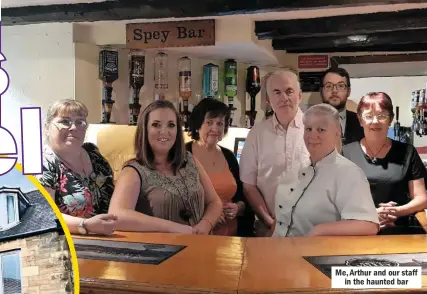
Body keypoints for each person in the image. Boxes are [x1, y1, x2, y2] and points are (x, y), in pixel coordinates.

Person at [108, 100, 223, 235]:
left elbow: (214, 201)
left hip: (201, 248)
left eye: (171, 125)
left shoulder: (190, 160)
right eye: (156, 125)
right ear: (145, 130)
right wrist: (174, 228)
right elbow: (117, 215)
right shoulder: (133, 171)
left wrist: (206, 224)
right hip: (161, 251)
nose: (164, 132)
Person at [272, 104, 379, 237]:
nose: (313, 135)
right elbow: (280, 221)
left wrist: (319, 231)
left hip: (311, 254)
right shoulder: (294, 171)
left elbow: (367, 225)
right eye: (309, 129)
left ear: (337, 132)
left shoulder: (348, 173)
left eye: (321, 129)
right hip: (276, 250)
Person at [342, 92, 427, 235]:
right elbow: (338, 200)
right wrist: (372, 214)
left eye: (382, 116)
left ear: (390, 119)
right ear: (360, 120)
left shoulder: (407, 152)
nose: (375, 121)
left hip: (400, 230)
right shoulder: (346, 153)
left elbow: (421, 198)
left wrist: (395, 211)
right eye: (369, 116)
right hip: (358, 230)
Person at [239, 69, 310, 237]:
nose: (283, 98)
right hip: (268, 230)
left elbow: (328, 179)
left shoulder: (316, 130)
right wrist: (271, 223)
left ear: (299, 96)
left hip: (311, 230)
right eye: (276, 92)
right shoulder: (256, 134)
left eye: (289, 91)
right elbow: (249, 186)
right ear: (268, 100)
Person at [36, 99, 117, 236]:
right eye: (65, 122)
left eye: (80, 122)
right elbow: (43, 216)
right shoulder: (43, 162)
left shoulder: (93, 154)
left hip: (111, 237)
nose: (74, 127)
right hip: (71, 243)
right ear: (47, 128)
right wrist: (84, 225)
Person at [186, 98, 254, 237]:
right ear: (198, 125)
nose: (215, 128)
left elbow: (242, 196)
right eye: (209, 122)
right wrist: (210, 216)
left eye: (220, 123)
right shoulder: (183, 155)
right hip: (198, 234)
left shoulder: (228, 156)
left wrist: (238, 208)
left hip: (231, 236)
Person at [320, 67, 364, 145]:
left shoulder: (362, 122)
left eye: (340, 86)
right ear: (321, 91)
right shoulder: (309, 122)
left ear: (348, 91)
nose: (334, 91)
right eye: (329, 86)